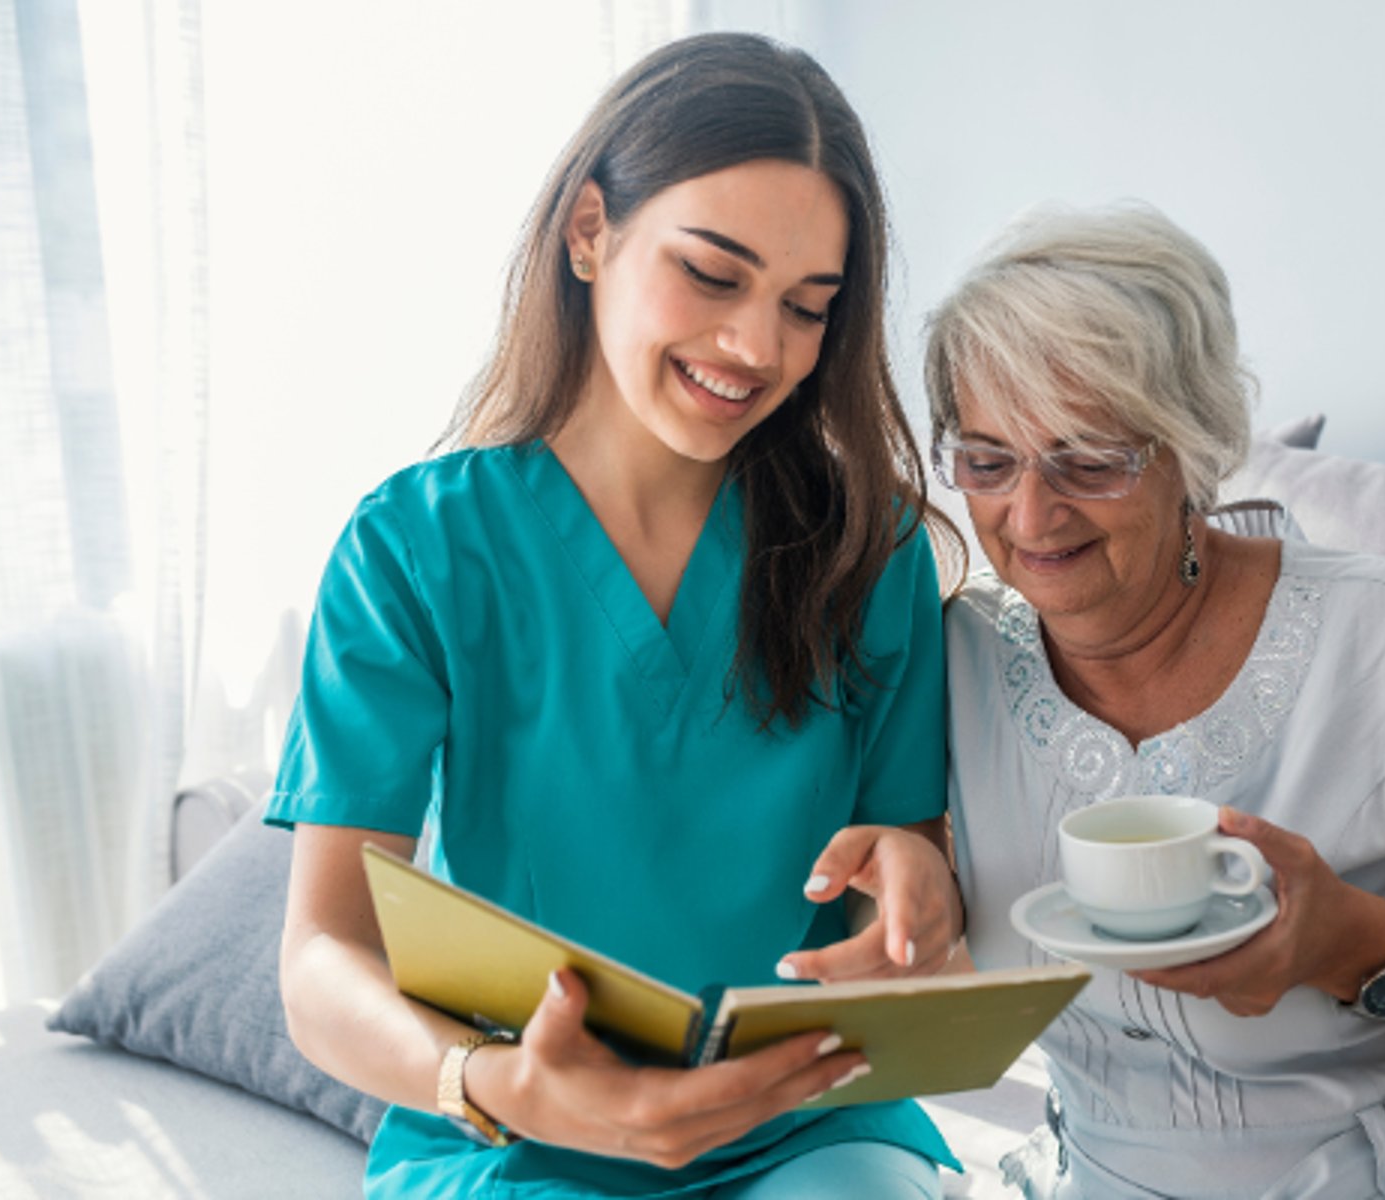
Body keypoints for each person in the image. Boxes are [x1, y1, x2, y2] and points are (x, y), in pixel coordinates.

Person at [270, 33, 965, 1199]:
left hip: (805, 1125)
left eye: (808, 307)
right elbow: (325, 956)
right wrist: (492, 1085)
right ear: (590, 231)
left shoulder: (868, 546)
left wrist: (918, 895)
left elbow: (909, 876)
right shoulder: (414, 549)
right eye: (711, 273)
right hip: (518, 1133)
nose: (757, 348)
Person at [928, 204, 1385, 1198]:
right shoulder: (953, 662)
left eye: (1091, 458)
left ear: (1187, 449)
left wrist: (1361, 946)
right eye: (989, 460)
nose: (1029, 515)